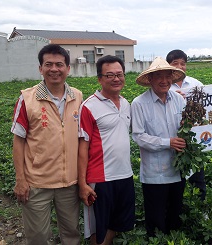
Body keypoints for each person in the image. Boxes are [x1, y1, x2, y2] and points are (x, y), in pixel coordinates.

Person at [11, 44, 82, 245]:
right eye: (48, 64)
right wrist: (21, 179)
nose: (54, 69)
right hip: (36, 183)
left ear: (68, 68)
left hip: (69, 183)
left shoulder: (77, 96)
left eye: (59, 64)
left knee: (71, 235)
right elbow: (18, 140)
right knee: (38, 238)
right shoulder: (27, 98)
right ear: (40, 68)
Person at [78, 55, 135, 245]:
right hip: (100, 179)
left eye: (119, 74)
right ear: (100, 79)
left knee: (116, 225)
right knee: (98, 229)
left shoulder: (126, 104)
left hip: (125, 175)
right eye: (109, 75)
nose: (116, 79)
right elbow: (82, 147)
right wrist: (82, 183)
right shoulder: (89, 106)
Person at [131, 57, 187, 237]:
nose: (164, 81)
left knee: (175, 217)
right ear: (150, 79)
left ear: (172, 77)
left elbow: (188, 128)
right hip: (155, 174)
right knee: (156, 222)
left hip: (178, 169)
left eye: (167, 76)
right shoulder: (139, 103)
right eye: (159, 77)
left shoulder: (179, 100)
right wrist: (167, 142)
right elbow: (139, 137)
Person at [166, 49, 207, 201]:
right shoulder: (164, 86)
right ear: (168, 65)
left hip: (193, 138)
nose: (179, 66)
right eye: (175, 63)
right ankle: (180, 210)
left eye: (183, 63)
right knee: (176, 176)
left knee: (198, 176)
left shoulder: (195, 83)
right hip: (172, 138)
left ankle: (201, 209)